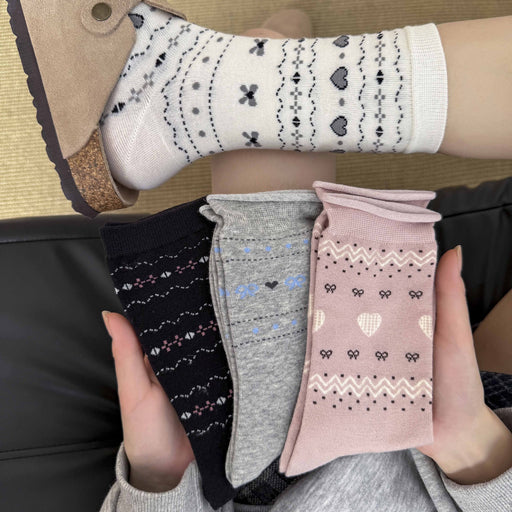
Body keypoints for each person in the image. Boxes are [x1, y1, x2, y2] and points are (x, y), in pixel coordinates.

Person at [98, 8, 512, 512]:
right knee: (261, 76)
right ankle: (227, 72)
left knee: (261, 73)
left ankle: (249, 59)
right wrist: (476, 451)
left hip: (267, 451)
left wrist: (157, 473)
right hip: (459, 464)